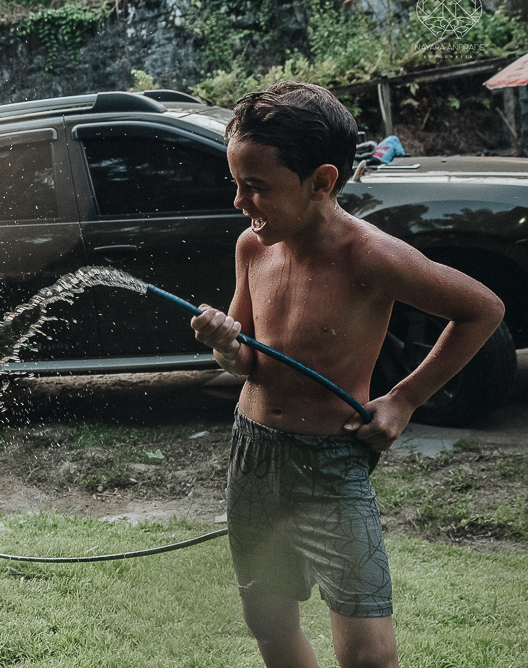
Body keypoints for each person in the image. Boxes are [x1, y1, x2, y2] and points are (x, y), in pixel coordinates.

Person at [189, 81, 504, 668]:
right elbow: (249, 360)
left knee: (369, 655)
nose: (239, 201)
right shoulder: (253, 248)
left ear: (322, 182)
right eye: (236, 183)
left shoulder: (370, 256)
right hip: (254, 454)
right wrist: (225, 347)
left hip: (330, 468)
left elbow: (482, 309)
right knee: (271, 625)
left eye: (255, 186)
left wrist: (405, 399)